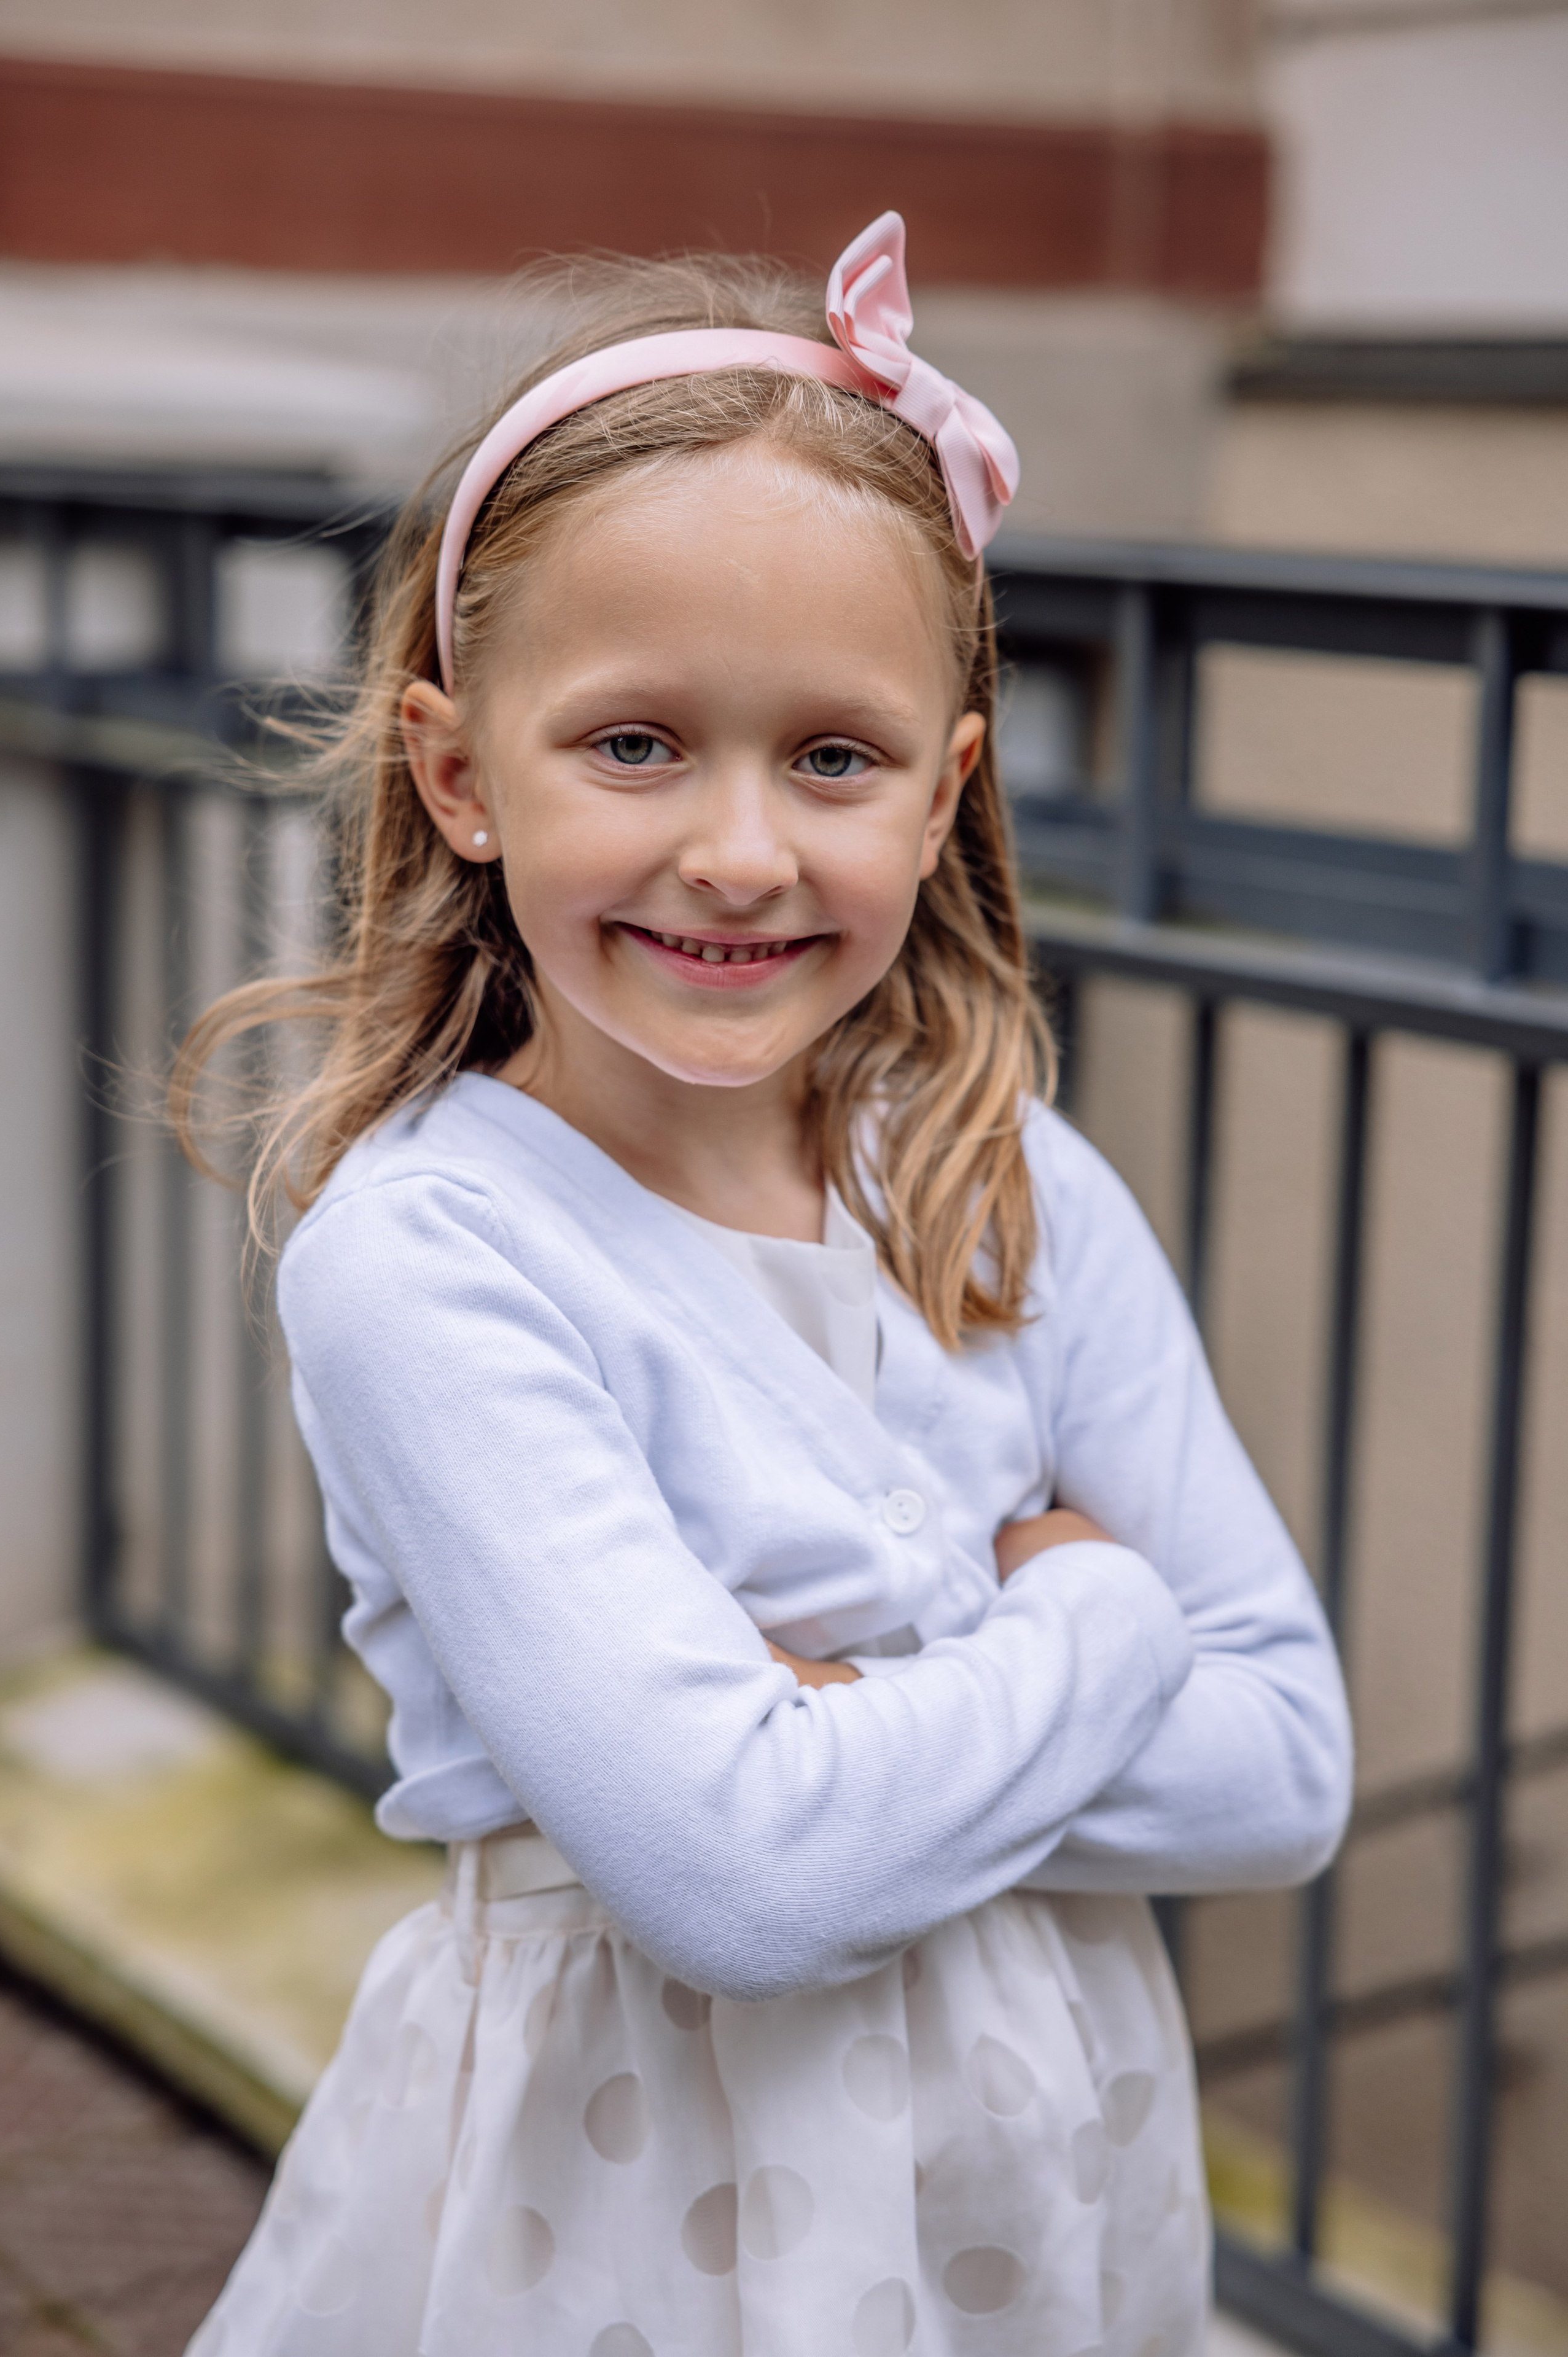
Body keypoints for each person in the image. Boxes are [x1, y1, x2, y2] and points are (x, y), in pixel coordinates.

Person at [179, 212, 1351, 2357]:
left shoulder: (1017, 1194)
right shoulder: (434, 1255)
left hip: (1045, 2202)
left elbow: (1282, 1770)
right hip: (615, 2227)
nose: (740, 850)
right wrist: (1090, 1608)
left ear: (945, 793)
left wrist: (852, 1723)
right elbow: (746, 1882)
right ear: (460, 773)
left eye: (833, 757)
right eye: (635, 746)